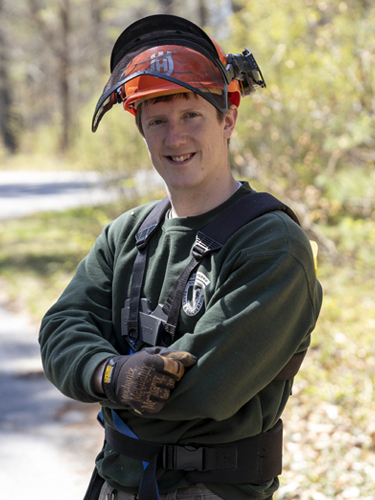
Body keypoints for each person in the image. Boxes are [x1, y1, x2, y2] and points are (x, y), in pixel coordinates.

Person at [39, 14, 323, 500]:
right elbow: (60, 330)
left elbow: (205, 388)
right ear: (142, 131)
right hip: (115, 483)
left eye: (192, 115)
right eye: (157, 122)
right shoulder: (126, 234)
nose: (175, 138)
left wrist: (101, 376)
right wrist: (113, 375)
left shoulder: (271, 246)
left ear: (227, 118)